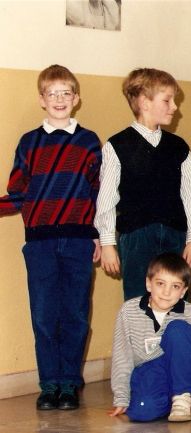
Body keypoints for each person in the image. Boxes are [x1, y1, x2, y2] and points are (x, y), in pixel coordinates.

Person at [0, 65, 101, 411]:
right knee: (44, 315)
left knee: (74, 314)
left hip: (78, 241)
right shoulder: (29, 143)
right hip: (40, 243)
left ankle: (70, 384)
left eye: (66, 93)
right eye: (52, 93)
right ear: (41, 99)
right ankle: (50, 385)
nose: (59, 99)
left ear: (76, 98)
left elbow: (98, 194)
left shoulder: (89, 142)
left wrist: (99, 236)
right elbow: (17, 192)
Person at [95, 68, 191, 301]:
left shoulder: (179, 147)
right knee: (137, 302)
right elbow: (106, 199)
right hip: (135, 238)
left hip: (175, 236)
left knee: (174, 302)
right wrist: (107, 243)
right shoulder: (117, 146)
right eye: (167, 100)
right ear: (145, 103)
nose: (174, 107)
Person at [108, 253, 191, 423]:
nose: (166, 292)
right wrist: (121, 397)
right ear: (149, 283)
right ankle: (168, 402)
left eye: (175, 286)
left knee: (177, 329)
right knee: (140, 412)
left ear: (184, 291)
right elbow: (122, 356)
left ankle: (182, 397)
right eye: (160, 284)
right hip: (153, 370)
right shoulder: (128, 311)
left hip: (188, 369)